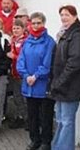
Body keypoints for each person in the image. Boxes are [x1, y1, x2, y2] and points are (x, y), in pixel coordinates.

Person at [50, 5, 80, 150]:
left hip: (71, 85)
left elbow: (75, 61)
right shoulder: (65, 33)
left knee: (67, 121)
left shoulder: (77, 35)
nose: (63, 18)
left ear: (74, 16)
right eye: (61, 15)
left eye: (67, 15)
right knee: (61, 120)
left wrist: (60, 81)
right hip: (62, 85)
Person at [17, 12, 56, 150]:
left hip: (43, 85)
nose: (36, 25)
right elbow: (20, 61)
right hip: (29, 85)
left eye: (38, 23)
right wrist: (26, 75)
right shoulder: (27, 41)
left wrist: (36, 76)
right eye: (33, 23)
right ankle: (35, 140)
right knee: (32, 115)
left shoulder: (49, 42)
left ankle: (46, 142)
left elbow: (47, 63)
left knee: (46, 116)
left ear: (44, 24)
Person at [7, 19, 28, 129]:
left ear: (23, 29)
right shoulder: (13, 40)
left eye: (18, 28)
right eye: (14, 28)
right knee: (17, 97)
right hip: (14, 73)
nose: (15, 30)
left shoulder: (26, 41)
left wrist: (14, 56)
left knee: (25, 98)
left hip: (23, 74)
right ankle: (21, 117)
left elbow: (26, 57)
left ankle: (29, 119)